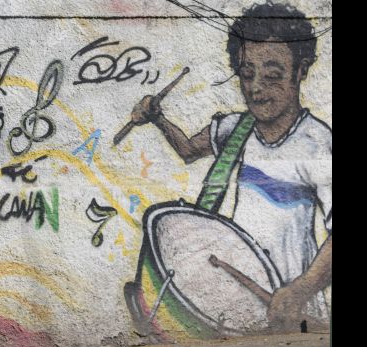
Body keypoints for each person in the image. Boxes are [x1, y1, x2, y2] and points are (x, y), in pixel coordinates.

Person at [128, 2, 331, 330]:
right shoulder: (235, 128)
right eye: (247, 74)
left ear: (301, 70)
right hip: (240, 300)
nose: (255, 88)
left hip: (293, 307)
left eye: (272, 75)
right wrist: (158, 118)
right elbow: (188, 150)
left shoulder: (317, 142)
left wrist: (300, 290)